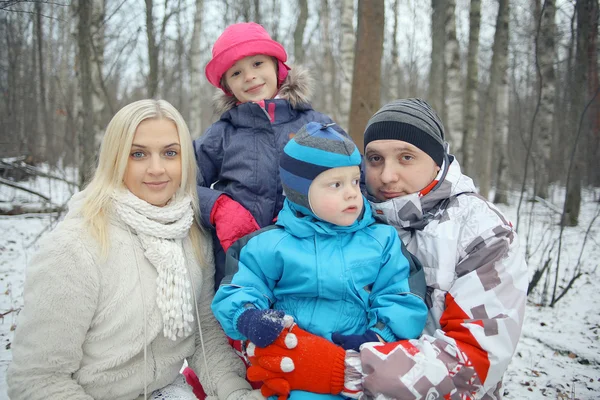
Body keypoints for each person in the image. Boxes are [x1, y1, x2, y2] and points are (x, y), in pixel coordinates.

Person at [245, 99, 529, 399]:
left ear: (437, 160)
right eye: (375, 159)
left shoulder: (482, 231)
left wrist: (344, 371)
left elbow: (476, 359)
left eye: (406, 157)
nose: (387, 176)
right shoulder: (339, 212)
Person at [7, 100, 263, 400]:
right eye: (138, 154)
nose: (156, 169)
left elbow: (205, 339)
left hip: (166, 391)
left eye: (170, 153)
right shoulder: (75, 247)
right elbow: (37, 380)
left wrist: (237, 393)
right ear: (116, 159)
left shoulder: (190, 234)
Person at [211, 121, 428, 400]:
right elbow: (239, 288)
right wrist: (250, 317)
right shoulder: (270, 245)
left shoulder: (380, 240)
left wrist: (379, 336)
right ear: (301, 194)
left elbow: (401, 294)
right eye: (335, 184)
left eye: (353, 181)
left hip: (356, 365)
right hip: (291, 367)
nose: (351, 192)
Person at [193, 22, 348, 289]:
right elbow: (181, 179)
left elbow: (357, 180)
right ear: (228, 86)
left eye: (257, 64)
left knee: (305, 328)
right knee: (246, 326)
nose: (249, 77)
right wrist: (219, 207)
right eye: (236, 72)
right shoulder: (222, 134)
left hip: (314, 260)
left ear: (278, 67)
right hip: (242, 264)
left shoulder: (316, 125)